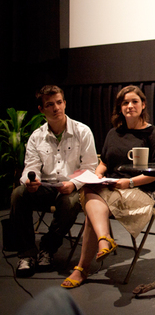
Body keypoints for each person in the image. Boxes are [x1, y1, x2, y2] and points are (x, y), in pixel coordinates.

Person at [61, 85, 155, 288]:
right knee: (89, 189)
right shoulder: (113, 133)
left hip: (140, 190)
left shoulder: (154, 135)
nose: (129, 106)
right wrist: (97, 174)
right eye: (125, 102)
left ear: (143, 105)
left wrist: (130, 182)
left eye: (134, 101)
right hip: (111, 187)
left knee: (93, 208)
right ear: (120, 108)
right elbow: (105, 163)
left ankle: (83, 266)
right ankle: (103, 239)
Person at [10, 85, 98, 277]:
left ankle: (47, 249)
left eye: (59, 102)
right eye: (50, 104)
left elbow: (91, 168)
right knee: (18, 194)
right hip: (46, 185)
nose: (56, 108)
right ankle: (27, 254)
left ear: (65, 103)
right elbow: (31, 166)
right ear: (41, 109)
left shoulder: (82, 131)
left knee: (71, 202)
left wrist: (74, 184)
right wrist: (30, 181)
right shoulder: (36, 137)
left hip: (71, 186)